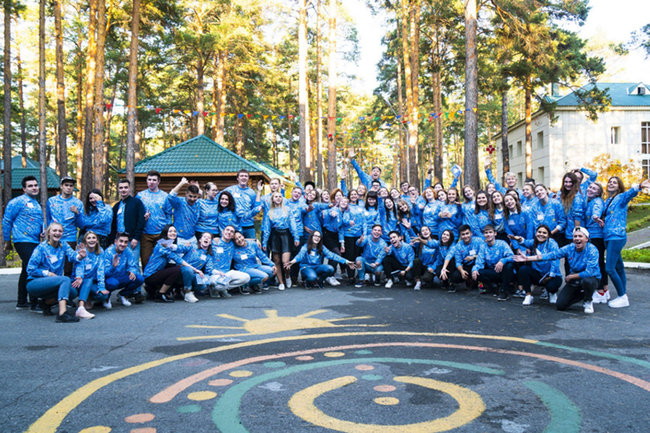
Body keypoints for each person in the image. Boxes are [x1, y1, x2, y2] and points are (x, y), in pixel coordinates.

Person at [515, 227, 601, 314]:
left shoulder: (592, 250)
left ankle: (588, 300)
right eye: (575, 236)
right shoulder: (570, 248)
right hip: (575, 279)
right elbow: (551, 255)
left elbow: (589, 272)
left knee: (587, 282)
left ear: (586, 238)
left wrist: (571, 276)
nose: (577, 239)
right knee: (561, 305)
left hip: (590, 278)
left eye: (580, 236)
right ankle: (583, 295)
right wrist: (527, 258)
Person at [596, 177, 650, 308]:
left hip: (616, 236)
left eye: (614, 182)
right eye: (609, 182)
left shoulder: (621, 198)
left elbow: (630, 193)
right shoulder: (607, 200)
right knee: (619, 267)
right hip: (608, 236)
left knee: (609, 268)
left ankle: (622, 296)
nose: (611, 184)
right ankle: (623, 294)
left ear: (619, 186)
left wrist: (640, 186)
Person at [26, 222, 86, 322]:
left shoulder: (63, 245)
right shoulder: (41, 248)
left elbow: (73, 256)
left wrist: (80, 256)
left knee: (72, 292)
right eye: (54, 230)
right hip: (35, 283)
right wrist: (47, 273)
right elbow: (30, 269)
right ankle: (62, 314)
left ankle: (46, 303)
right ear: (48, 233)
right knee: (65, 280)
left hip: (54, 283)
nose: (57, 233)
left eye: (60, 231)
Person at [3, 175, 44, 310]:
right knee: (33, 267)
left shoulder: (36, 203)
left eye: (35, 185)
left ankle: (21, 301)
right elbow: (7, 220)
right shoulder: (17, 202)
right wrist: (7, 240)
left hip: (35, 241)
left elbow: (39, 221)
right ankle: (34, 302)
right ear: (24, 188)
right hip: (22, 240)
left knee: (26, 270)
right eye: (30, 186)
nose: (34, 188)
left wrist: (43, 231)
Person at [143, 224, 203, 303]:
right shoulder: (162, 244)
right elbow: (177, 259)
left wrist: (187, 245)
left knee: (174, 267)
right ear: (165, 233)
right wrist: (195, 269)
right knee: (177, 269)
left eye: (174, 231)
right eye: (170, 231)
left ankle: (165, 290)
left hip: (158, 273)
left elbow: (180, 248)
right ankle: (161, 294)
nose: (173, 233)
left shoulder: (169, 244)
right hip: (150, 275)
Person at [511, 224, 562, 306]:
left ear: (548, 235)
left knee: (551, 286)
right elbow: (526, 243)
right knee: (523, 269)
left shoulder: (552, 243)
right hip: (538, 274)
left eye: (544, 233)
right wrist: (519, 239)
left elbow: (555, 261)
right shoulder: (534, 242)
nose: (541, 234)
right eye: (539, 232)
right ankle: (528, 295)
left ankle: (552, 293)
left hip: (551, 275)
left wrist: (550, 276)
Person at [286, 231, 354, 288]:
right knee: (312, 277)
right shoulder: (305, 246)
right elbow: (299, 256)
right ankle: (307, 281)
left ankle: (320, 281)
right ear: (311, 237)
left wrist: (346, 261)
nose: (317, 238)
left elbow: (332, 255)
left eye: (319, 237)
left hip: (316, 267)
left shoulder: (321, 247)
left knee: (330, 268)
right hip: (306, 267)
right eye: (315, 236)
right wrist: (292, 261)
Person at [262, 191, 300, 291]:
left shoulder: (287, 209)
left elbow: (292, 224)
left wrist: (296, 237)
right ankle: (281, 282)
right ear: (272, 199)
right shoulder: (269, 212)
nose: (278, 198)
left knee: (285, 261)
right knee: (276, 260)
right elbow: (267, 228)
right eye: (276, 197)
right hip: (274, 236)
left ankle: (287, 276)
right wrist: (264, 242)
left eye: (280, 196)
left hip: (285, 235)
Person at [46, 176, 84, 274]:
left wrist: (77, 213)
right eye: (66, 185)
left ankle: (67, 286)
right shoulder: (51, 201)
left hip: (69, 238)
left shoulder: (77, 203)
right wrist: (47, 234)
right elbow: (48, 219)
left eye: (71, 186)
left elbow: (82, 225)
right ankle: (53, 285)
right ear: (61, 186)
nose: (68, 188)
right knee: (52, 263)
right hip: (54, 237)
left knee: (68, 265)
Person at [136, 170, 171, 269]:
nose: (151, 182)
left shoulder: (165, 196)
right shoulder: (140, 196)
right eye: (149, 179)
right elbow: (136, 214)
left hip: (161, 233)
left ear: (158, 182)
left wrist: (168, 232)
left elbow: (169, 214)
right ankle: (148, 282)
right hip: (145, 233)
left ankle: (159, 282)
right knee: (145, 259)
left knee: (161, 260)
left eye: (154, 180)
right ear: (146, 181)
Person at [471, 225, 515, 300]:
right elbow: (479, 262)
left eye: (490, 232)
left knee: (509, 265)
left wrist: (502, 261)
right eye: (486, 233)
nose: (488, 234)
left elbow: (512, 257)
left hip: (504, 271)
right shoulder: (483, 246)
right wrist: (474, 269)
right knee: (477, 272)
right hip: (493, 271)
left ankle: (504, 291)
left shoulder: (502, 243)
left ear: (495, 233)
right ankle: (493, 286)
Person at [103, 232, 145, 307]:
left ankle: (123, 295)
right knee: (112, 283)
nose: (123, 244)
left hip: (122, 276)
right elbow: (104, 273)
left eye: (125, 242)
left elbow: (132, 265)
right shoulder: (108, 252)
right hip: (110, 278)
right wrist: (113, 267)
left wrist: (132, 271)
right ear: (115, 241)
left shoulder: (128, 251)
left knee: (139, 278)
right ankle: (106, 298)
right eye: (121, 241)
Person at [207, 225, 251, 294]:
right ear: (222, 232)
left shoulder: (232, 244)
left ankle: (222, 288)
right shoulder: (214, 242)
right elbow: (202, 243)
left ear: (233, 236)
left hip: (227, 273)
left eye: (232, 231)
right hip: (214, 273)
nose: (229, 232)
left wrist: (256, 240)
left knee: (246, 277)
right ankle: (216, 288)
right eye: (227, 230)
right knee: (219, 283)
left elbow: (243, 240)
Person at [73, 231, 107, 319]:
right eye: (89, 238)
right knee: (85, 282)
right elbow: (79, 266)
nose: (91, 240)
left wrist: (101, 286)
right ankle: (82, 303)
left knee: (103, 295)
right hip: (79, 280)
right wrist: (79, 277)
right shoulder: (81, 251)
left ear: (97, 241)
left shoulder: (101, 252)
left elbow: (100, 270)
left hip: (91, 281)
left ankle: (89, 297)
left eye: (93, 238)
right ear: (85, 242)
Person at [583, 182, 608, 303]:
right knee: (598, 262)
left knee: (598, 262)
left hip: (597, 235)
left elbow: (596, 211)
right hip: (591, 235)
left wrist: (596, 217)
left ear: (598, 192)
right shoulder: (589, 201)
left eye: (594, 188)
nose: (590, 189)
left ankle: (601, 291)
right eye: (590, 187)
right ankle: (604, 290)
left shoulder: (597, 201)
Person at [439, 224, 484, 290]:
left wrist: (474, 257)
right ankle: (468, 279)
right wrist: (461, 270)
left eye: (467, 233)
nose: (465, 236)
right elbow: (458, 262)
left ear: (471, 233)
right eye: (463, 234)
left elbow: (484, 254)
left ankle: (481, 286)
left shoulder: (479, 241)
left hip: (478, 264)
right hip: (466, 265)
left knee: (482, 269)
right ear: (460, 236)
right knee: (455, 276)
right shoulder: (458, 246)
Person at [109, 179, 145, 257]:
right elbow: (113, 225)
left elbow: (141, 221)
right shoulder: (116, 206)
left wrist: (136, 238)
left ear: (129, 188)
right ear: (118, 189)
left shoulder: (137, 203)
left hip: (132, 240)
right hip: (119, 240)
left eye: (126, 187)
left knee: (133, 264)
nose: (123, 190)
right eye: (121, 188)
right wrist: (112, 241)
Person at [223, 169, 262, 239]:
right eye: (241, 176)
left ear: (248, 178)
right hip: (234, 225)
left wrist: (259, 191)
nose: (244, 177)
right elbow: (218, 198)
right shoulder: (230, 190)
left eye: (246, 176)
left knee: (251, 246)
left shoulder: (251, 192)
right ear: (237, 178)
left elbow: (255, 208)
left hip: (248, 225)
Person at [166, 178, 201, 247]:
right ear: (186, 194)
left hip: (192, 238)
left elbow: (209, 197)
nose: (192, 199)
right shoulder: (179, 202)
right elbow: (170, 196)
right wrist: (181, 183)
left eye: (195, 197)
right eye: (190, 196)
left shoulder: (198, 203)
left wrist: (198, 188)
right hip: (180, 238)